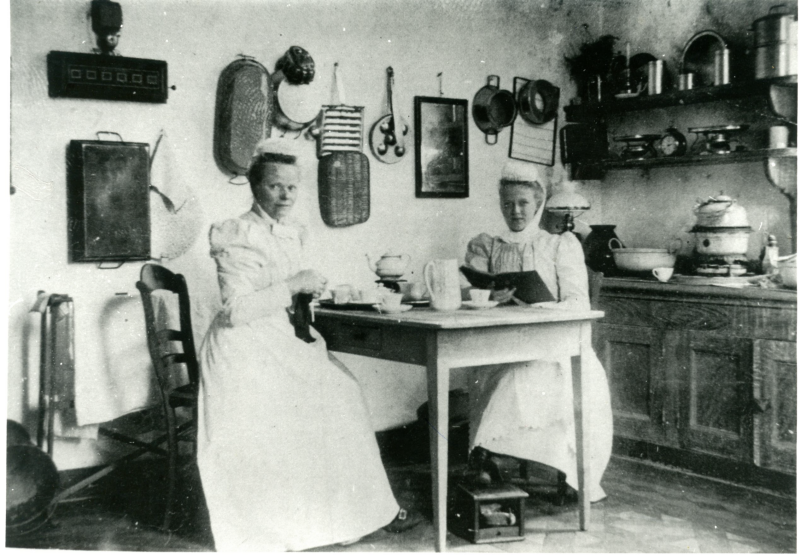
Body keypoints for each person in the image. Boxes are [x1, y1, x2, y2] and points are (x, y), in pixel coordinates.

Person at [196, 138, 419, 551]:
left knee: (342, 390)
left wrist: (308, 292)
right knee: (326, 394)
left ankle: (342, 514)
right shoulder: (236, 232)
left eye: (292, 188)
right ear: (254, 186)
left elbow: (282, 291)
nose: (284, 196)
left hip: (275, 336)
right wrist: (294, 284)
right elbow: (236, 310)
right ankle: (298, 522)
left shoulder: (292, 231)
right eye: (274, 186)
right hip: (241, 345)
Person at [462, 161, 612, 502]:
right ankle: (489, 455)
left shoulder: (560, 245)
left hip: (555, 347)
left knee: (520, 376)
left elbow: (578, 303)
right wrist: (487, 297)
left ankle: (488, 455)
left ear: (538, 202)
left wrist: (533, 305)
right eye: (507, 204)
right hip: (501, 344)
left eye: (522, 204)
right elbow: (472, 298)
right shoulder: (488, 245)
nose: (514, 212)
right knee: (498, 371)